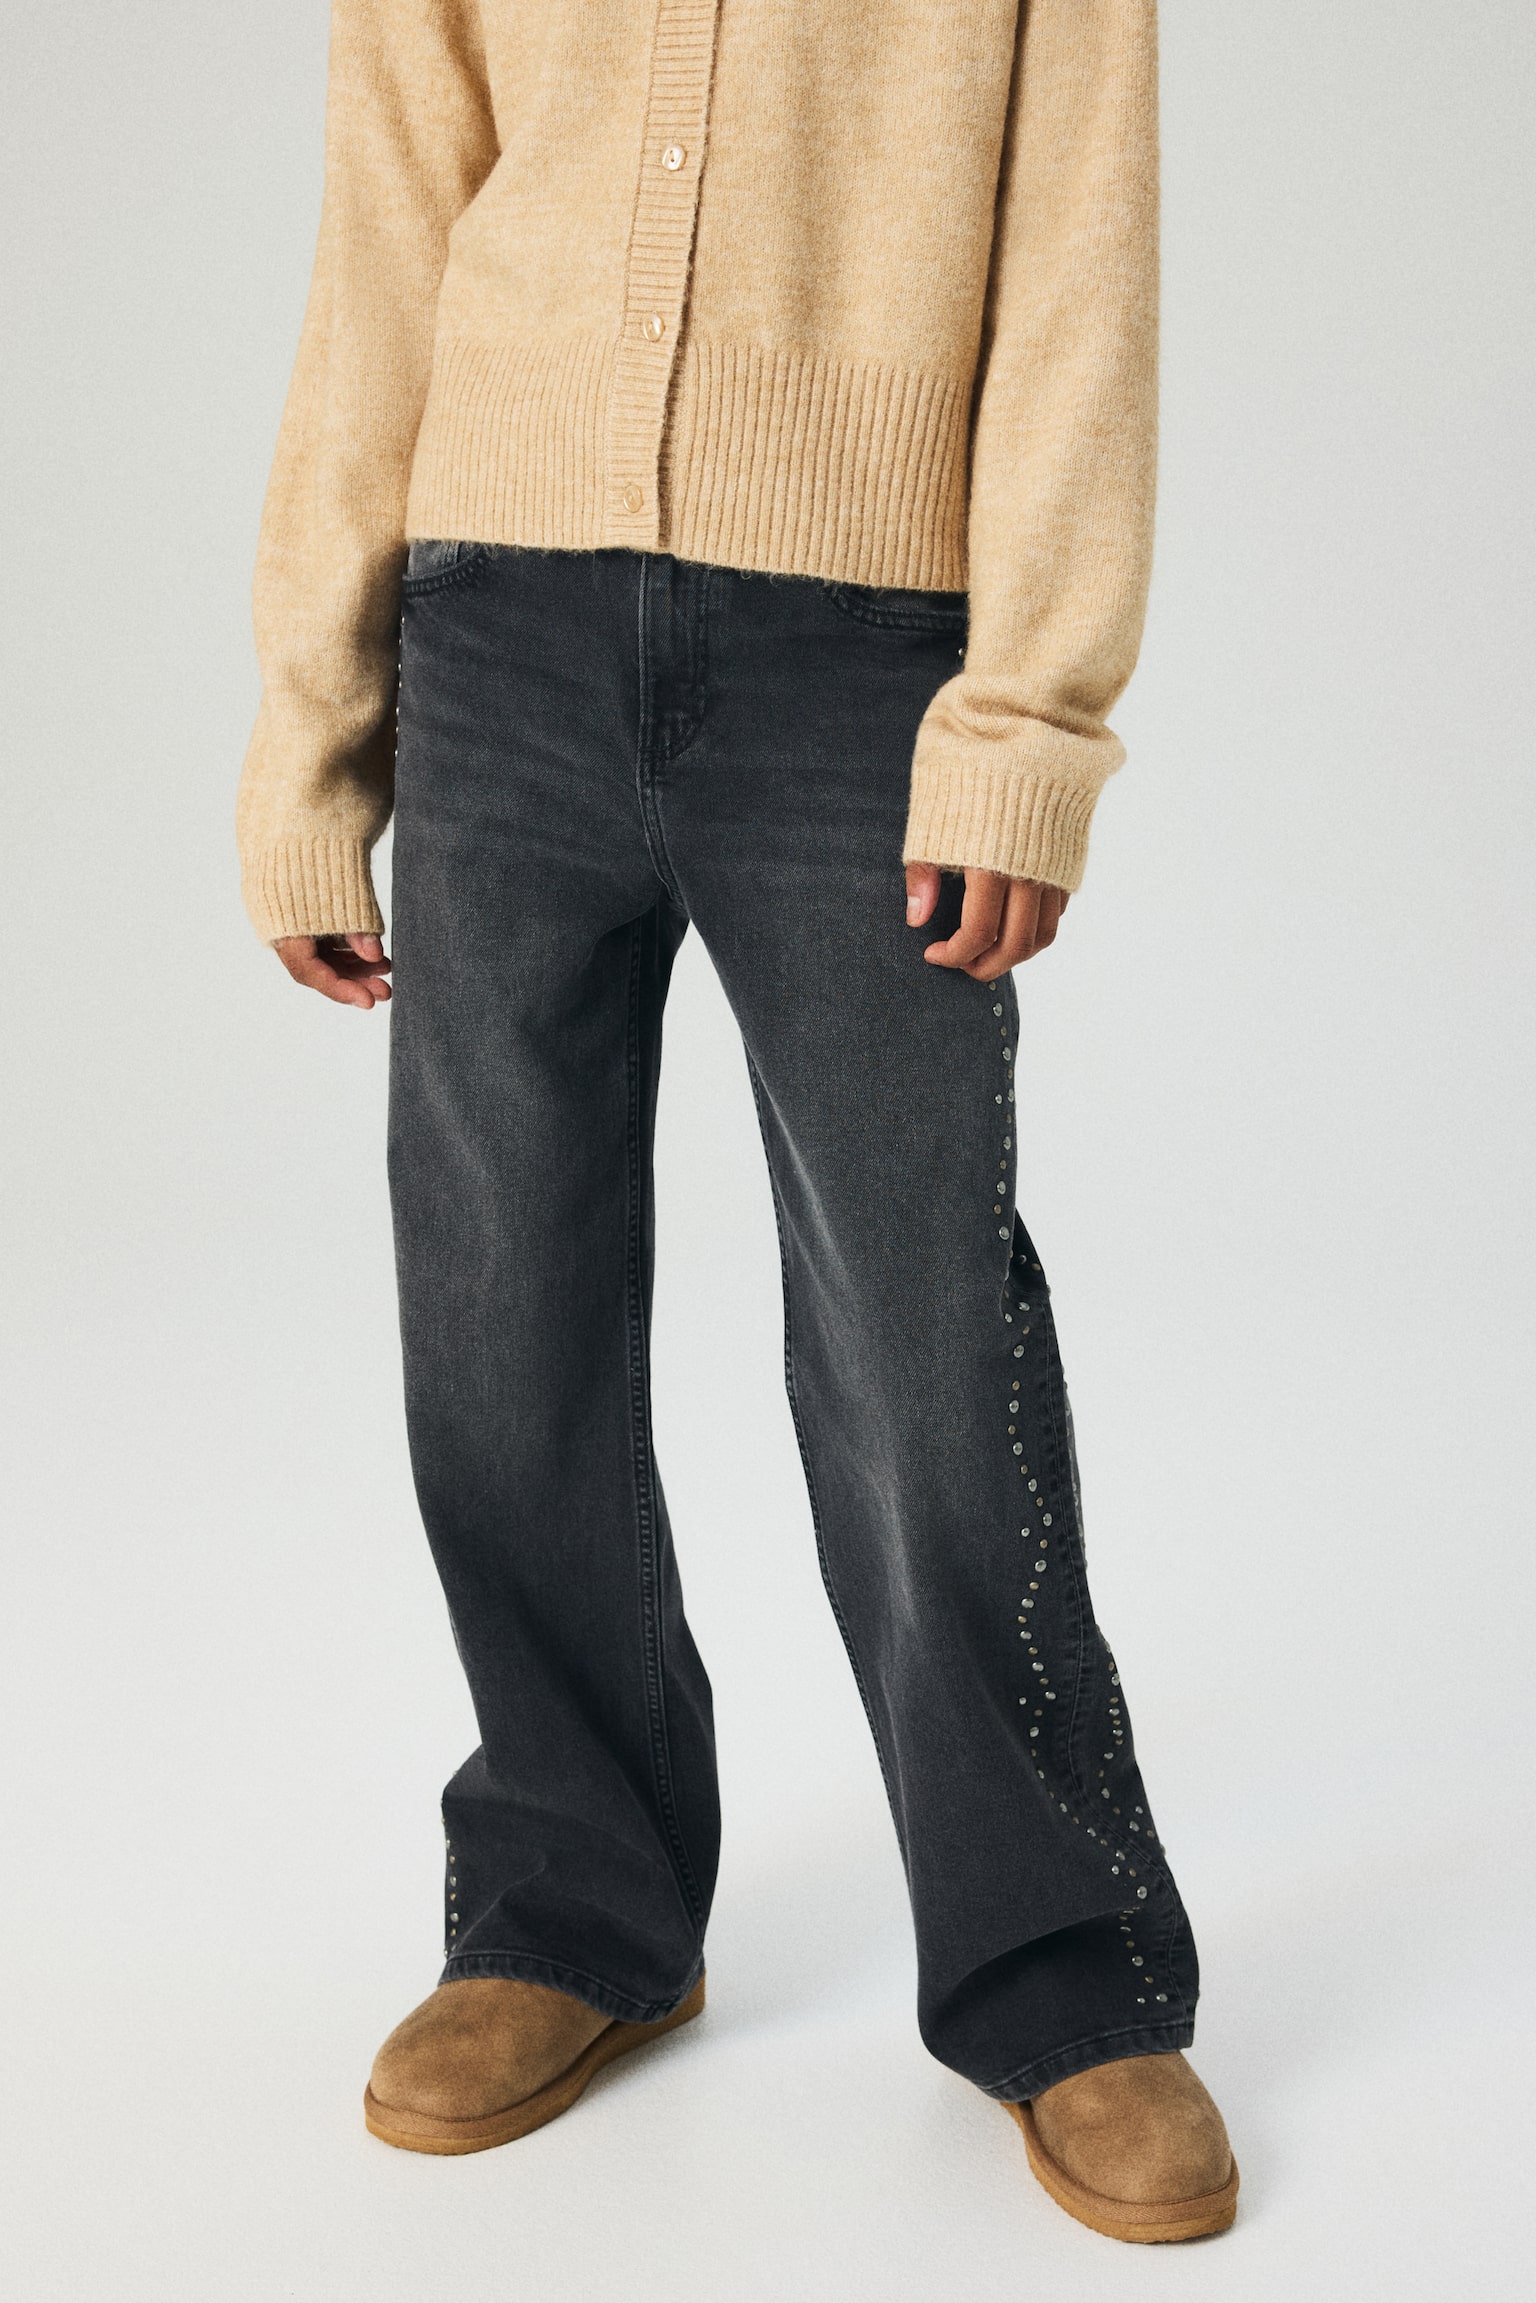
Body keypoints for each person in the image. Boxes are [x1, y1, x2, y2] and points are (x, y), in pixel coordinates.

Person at [236, 0, 1237, 2244]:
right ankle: (572, 1910)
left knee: (917, 1318)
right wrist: (312, 731)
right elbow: (388, 234)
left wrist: (1027, 718)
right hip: (496, 634)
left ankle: (1061, 1975)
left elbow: (1081, 262)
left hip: (864, 661)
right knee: (500, 1303)